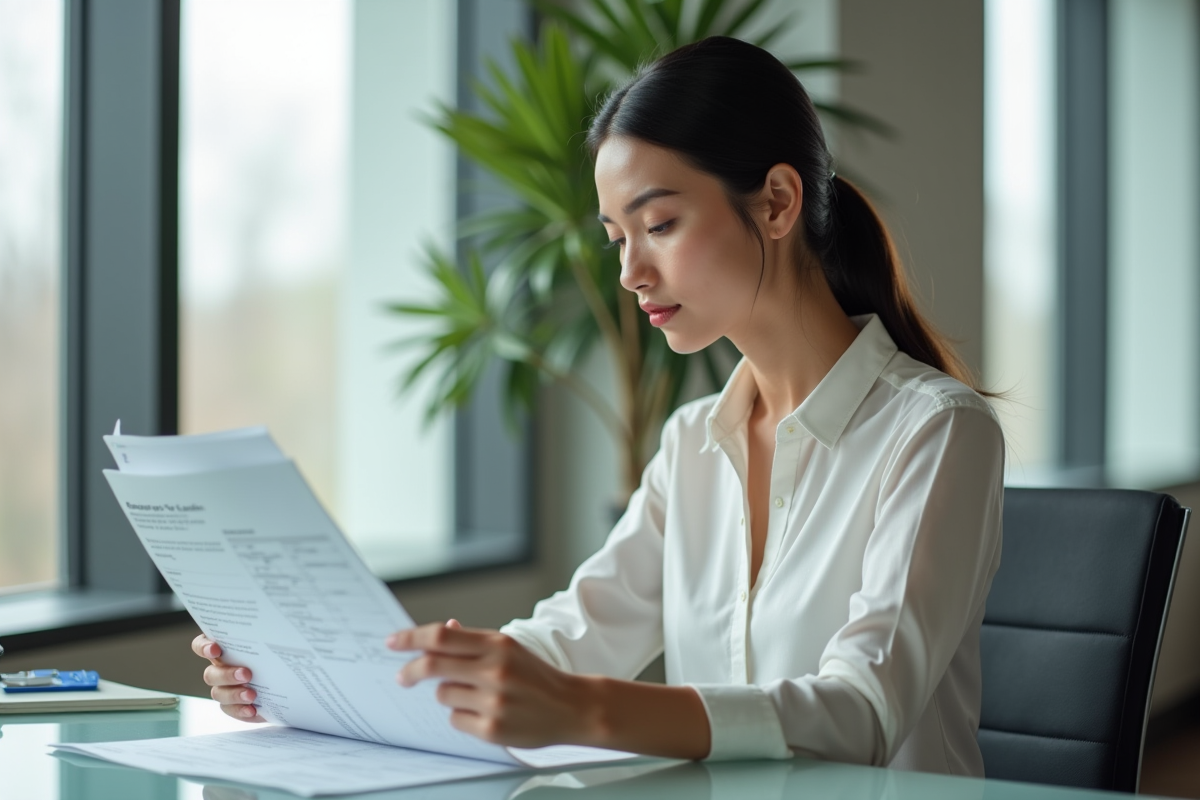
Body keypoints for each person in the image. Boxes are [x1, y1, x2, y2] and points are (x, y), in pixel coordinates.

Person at [193, 36, 1004, 775]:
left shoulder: (935, 433)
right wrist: (317, 679)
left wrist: (582, 709)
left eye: (660, 224)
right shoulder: (694, 443)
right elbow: (570, 642)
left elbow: (860, 712)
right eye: (619, 238)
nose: (631, 274)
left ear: (778, 203)